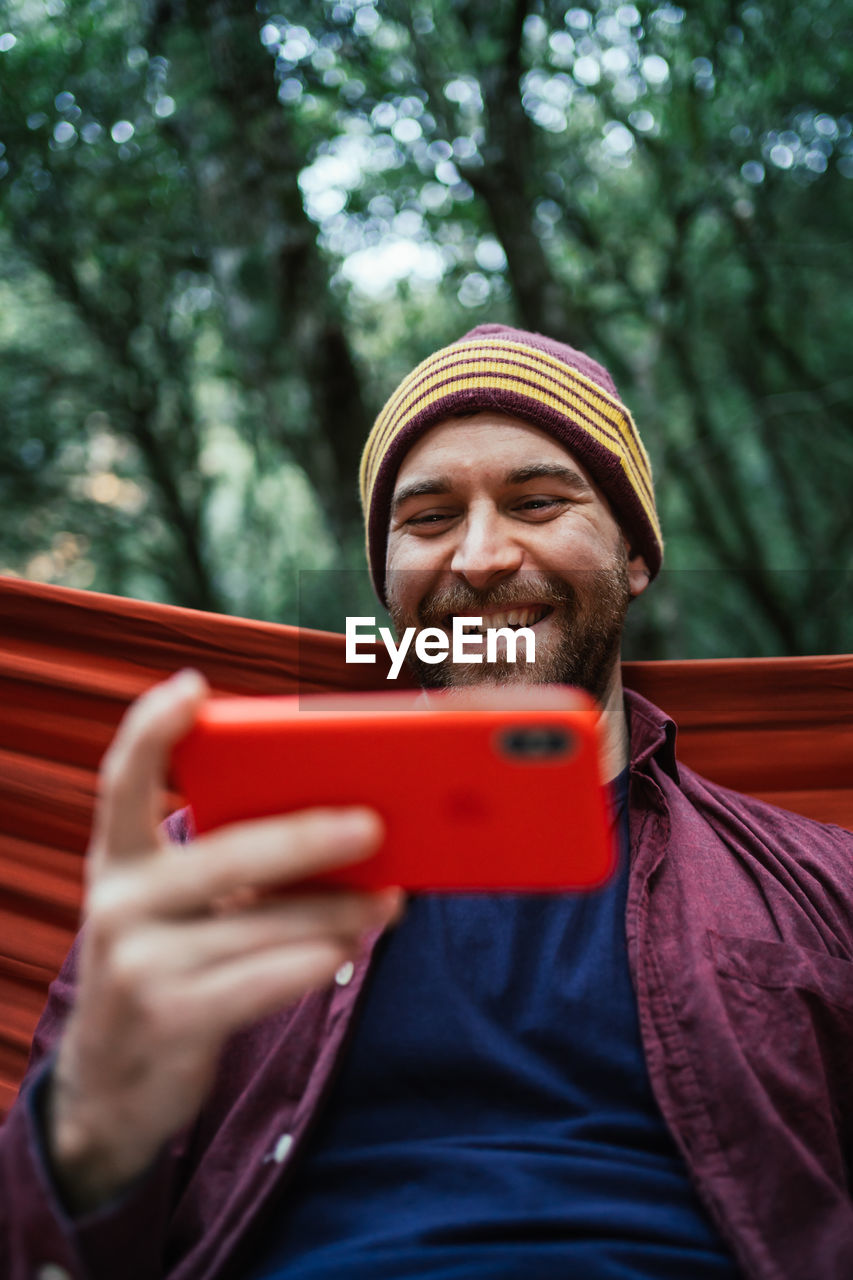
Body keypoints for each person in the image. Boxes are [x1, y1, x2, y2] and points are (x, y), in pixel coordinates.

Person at [2, 325, 851, 1280]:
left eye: (536, 501)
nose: (482, 557)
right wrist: (88, 1131)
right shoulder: (208, 868)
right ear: (387, 583)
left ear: (635, 554)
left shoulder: (820, 879)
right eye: (430, 518)